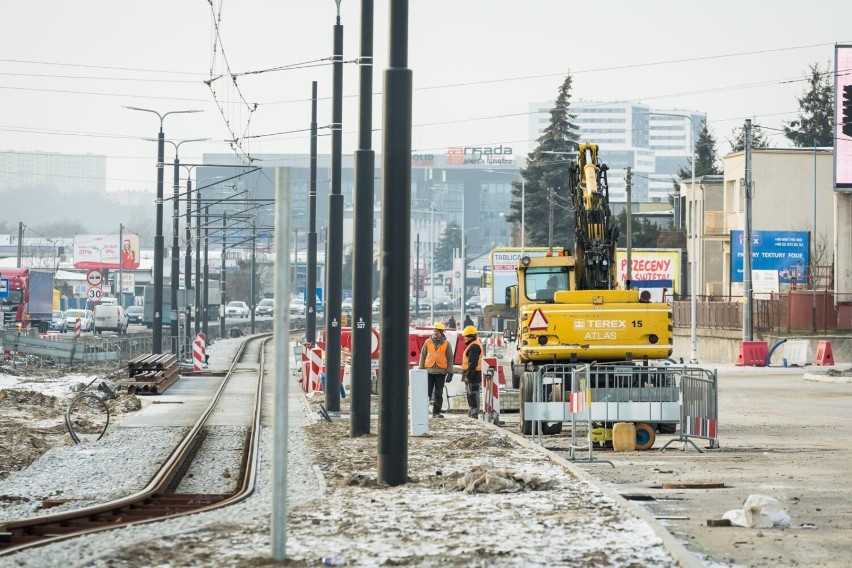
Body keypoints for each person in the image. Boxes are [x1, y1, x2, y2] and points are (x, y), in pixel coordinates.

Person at [418, 322, 454, 418]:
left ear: (442, 332)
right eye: (434, 331)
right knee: (427, 393)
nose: (435, 332)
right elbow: (423, 355)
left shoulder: (447, 343)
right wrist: (420, 370)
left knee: (439, 393)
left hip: (441, 372)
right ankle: (423, 411)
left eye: (437, 331)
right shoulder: (427, 342)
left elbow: (450, 358)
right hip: (429, 371)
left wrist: (450, 372)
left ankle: (436, 412)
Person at [461, 324, 483, 418]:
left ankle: (474, 413)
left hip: (473, 374)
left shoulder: (474, 346)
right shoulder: (473, 344)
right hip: (472, 373)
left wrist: (468, 376)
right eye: (465, 336)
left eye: (467, 336)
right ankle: (472, 412)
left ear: (472, 336)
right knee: (471, 394)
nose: (465, 338)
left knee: (473, 394)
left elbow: (472, 364)